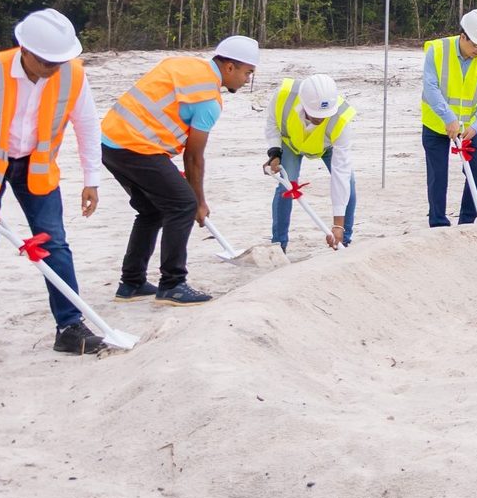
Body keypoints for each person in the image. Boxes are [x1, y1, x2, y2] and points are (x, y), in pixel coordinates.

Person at [0, 9, 106, 366]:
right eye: (46, 61)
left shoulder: (72, 74)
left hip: (35, 166)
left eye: (60, 60)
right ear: (23, 48)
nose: (54, 68)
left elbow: (87, 125)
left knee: (54, 244)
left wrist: (92, 180)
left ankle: (70, 328)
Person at [101, 34, 258, 307]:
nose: (247, 80)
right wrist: (198, 201)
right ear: (229, 67)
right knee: (182, 205)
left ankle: (132, 283)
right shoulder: (208, 99)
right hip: (137, 147)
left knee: (152, 211)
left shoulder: (183, 63)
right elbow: (194, 157)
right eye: (247, 73)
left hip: (110, 141)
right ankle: (172, 284)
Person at [421, 9, 477, 227]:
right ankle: (438, 222)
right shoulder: (437, 50)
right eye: (475, 45)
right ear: (463, 35)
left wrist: (476, 125)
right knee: (438, 175)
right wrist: (448, 118)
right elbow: (431, 88)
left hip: (469, 128)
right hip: (437, 124)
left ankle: (466, 221)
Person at [263, 73, 355, 251]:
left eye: (324, 115)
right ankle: (278, 244)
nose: (320, 119)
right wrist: (275, 152)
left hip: (327, 146)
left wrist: (337, 224)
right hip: (291, 143)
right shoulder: (283, 96)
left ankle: (343, 238)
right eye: (315, 115)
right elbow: (272, 124)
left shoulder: (341, 120)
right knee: (286, 187)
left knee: (349, 182)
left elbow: (341, 173)